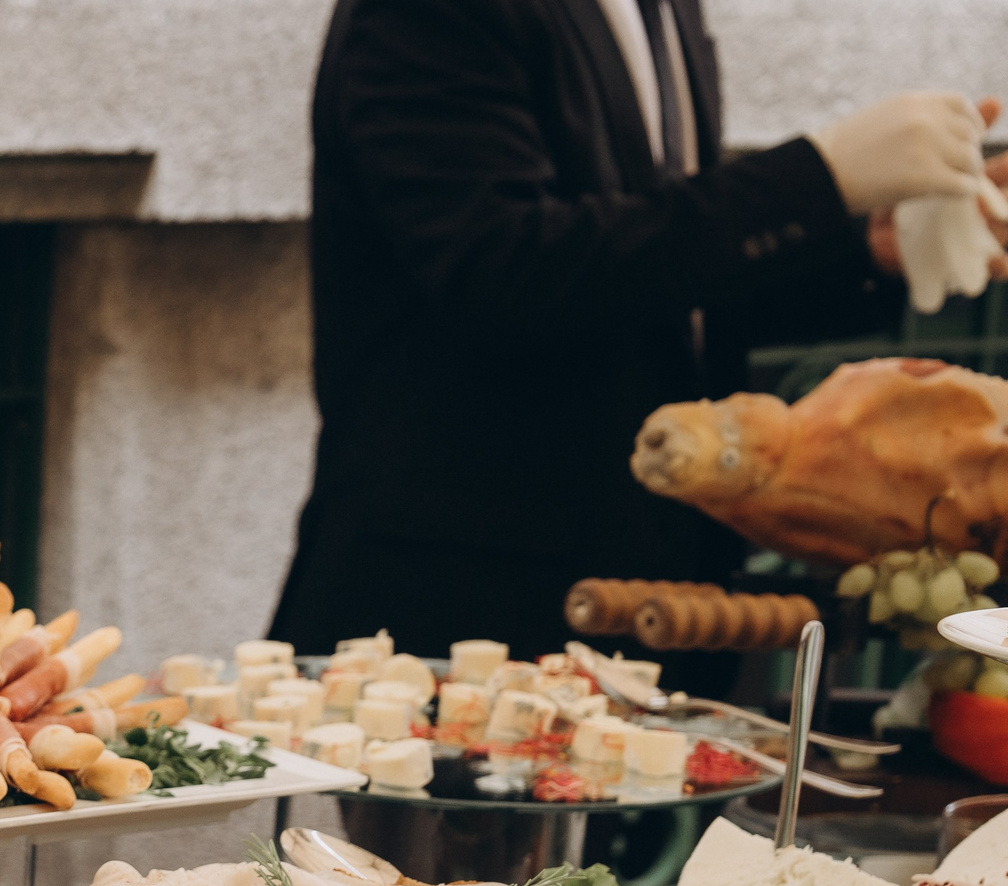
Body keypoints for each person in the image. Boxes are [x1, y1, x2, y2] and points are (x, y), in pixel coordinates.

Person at [271, 0, 1008, 667]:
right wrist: (816, 176)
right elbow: (505, 273)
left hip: (650, 607)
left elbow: (658, 282)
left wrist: (866, 248)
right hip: (456, 618)